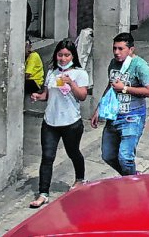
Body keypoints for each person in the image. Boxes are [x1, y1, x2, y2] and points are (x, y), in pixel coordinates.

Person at [28, 39, 90, 208]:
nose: (63, 58)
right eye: (60, 55)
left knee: (73, 152)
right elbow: (47, 95)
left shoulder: (80, 73)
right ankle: (43, 193)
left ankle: (80, 179)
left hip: (71, 122)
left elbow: (82, 96)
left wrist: (71, 83)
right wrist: (38, 96)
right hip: (50, 122)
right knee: (47, 157)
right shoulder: (52, 72)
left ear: (72, 56)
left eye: (66, 55)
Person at [91, 33, 149, 176]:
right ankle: (131, 178)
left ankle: (131, 185)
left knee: (125, 157)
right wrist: (99, 108)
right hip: (113, 116)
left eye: (121, 49)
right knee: (108, 155)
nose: (116, 52)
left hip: (132, 118)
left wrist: (125, 88)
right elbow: (110, 86)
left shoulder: (140, 66)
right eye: (114, 48)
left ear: (131, 50)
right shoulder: (113, 63)